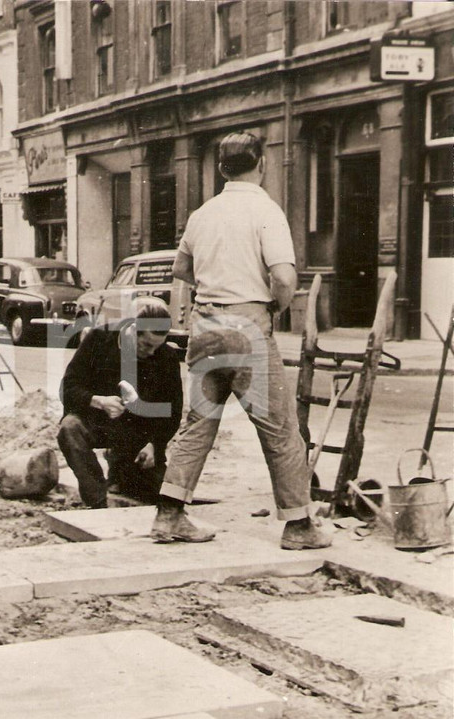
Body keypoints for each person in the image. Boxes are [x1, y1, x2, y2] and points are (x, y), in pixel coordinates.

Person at [152, 131, 332, 551]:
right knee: (282, 430)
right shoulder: (266, 210)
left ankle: (168, 516)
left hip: (205, 324)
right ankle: (299, 526)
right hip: (249, 323)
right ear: (263, 165)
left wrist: (216, 289)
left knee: (197, 423)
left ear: (220, 169)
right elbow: (285, 277)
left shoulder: (204, 213)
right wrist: (271, 308)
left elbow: (181, 268)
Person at [58, 297, 183, 509]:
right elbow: (69, 387)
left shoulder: (166, 357)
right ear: (134, 330)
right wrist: (98, 401)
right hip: (97, 421)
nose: (152, 352)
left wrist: (155, 444)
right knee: (70, 429)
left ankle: (119, 468)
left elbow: (173, 411)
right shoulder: (100, 339)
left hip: (137, 431)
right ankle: (97, 501)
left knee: (156, 493)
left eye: (157, 347)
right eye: (146, 345)